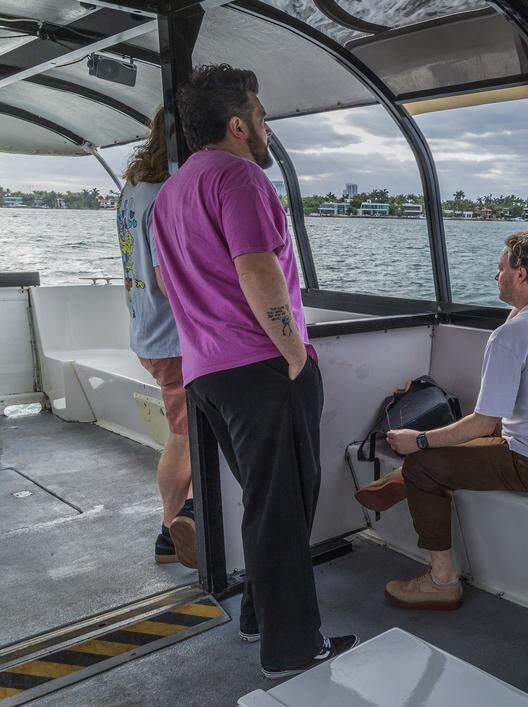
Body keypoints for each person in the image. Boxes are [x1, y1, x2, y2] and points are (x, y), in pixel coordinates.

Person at [152, 64, 355, 679]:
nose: (267, 129)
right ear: (238, 125)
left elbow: (167, 284)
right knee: (285, 509)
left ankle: (260, 619)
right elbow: (256, 269)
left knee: (266, 505)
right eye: (261, 117)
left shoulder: (171, 192)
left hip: (208, 374)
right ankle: (292, 647)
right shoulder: (239, 177)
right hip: (263, 369)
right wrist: (293, 353)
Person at [358, 231, 528, 611]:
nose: (495, 275)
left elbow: (484, 423)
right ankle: (405, 479)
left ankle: (441, 580)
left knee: (423, 465)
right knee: (476, 437)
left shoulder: (511, 335)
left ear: (520, 274)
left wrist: (418, 440)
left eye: (501, 267)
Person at [115, 106, 195, 568]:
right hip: (175, 339)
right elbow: (171, 278)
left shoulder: (133, 189)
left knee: (182, 433)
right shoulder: (168, 193)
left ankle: (179, 522)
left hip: (147, 329)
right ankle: (170, 532)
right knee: (185, 437)